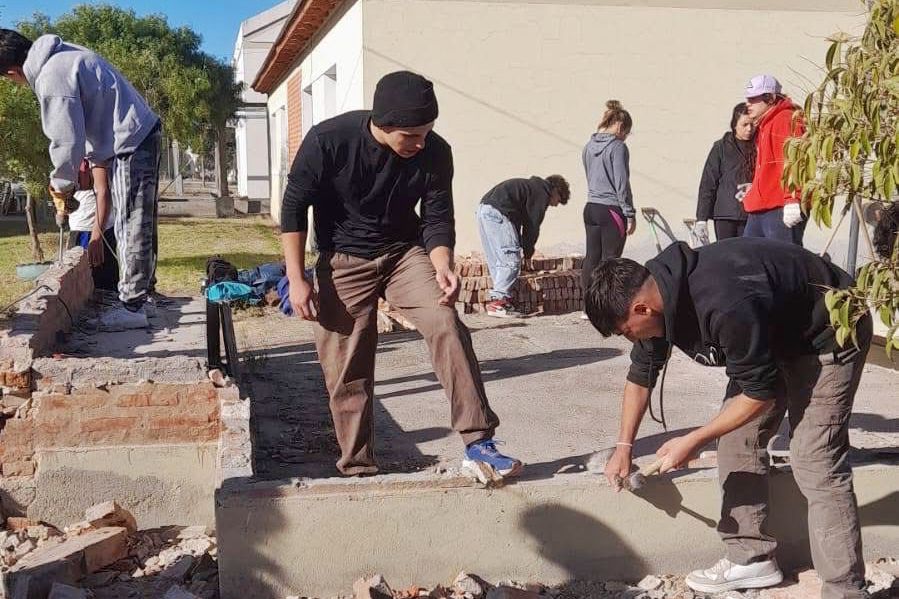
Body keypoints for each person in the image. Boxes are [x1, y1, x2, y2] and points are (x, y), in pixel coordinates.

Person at [585, 238, 871, 598]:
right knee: (737, 441)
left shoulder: (725, 303)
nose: (631, 340)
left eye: (626, 332)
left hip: (830, 332)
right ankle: (752, 559)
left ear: (641, 309)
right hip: (770, 336)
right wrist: (624, 447)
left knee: (815, 460)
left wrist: (694, 439)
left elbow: (759, 394)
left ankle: (845, 589)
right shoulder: (657, 298)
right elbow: (641, 375)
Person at [280, 70, 522, 480]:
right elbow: (293, 208)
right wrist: (297, 276)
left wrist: (442, 264)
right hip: (342, 258)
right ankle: (358, 466)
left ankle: (479, 443)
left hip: (403, 253)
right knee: (346, 364)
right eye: (411, 134)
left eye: (427, 131)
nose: (420, 142)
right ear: (383, 123)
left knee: (445, 321)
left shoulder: (434, 152)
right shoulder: (329, 141)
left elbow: (437, 217)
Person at [0, 29, 162, 329]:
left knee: (131, 222)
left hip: (130, 141)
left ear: (12, 71)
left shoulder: (51, 76)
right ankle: (143, 296)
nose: (16, 84)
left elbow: (64, 140)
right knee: (140, 221)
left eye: (10, 79)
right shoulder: (62, 55)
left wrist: (61, 186)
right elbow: (91, 118)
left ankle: (132, 307)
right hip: (136, 134)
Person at [476, 175, 570, 317]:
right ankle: (499, 302)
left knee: (498, 260)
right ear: (556, 191)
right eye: (558, 200)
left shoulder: (530, 188)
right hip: (498, 213)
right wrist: (527, 254)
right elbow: (531, 226)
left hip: (483, 210)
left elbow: (518, 224)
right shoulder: (541, 193)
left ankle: (502, 300)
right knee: (511, 261)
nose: (555, 205)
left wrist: (522, 245)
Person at [742, 75, 806, 245]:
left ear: (769, 98)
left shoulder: (785, 119)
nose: (748, 103)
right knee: (749, 260)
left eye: (753, 99)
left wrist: (793, 199)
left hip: (779, 206)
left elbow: (794, 162)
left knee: (783, 263)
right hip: (761, 206)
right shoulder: (766, 123)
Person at [582, 100, 636, 292]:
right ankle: (605, 307)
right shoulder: (618, 147)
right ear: (620, 127)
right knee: (610, 261)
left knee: (591, 258)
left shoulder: (588, 146)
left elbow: (589, 174)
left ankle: (587, 307)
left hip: (591, 207)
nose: (626, 138)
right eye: (627, 133)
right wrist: (629, 214)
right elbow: (621, 183)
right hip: (611, 209)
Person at [695, 104, 755, 242]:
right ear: (734, 125)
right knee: (726, 255)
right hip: (725, 215)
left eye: (752, 125)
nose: (749, 129)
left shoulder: (759, 145)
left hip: (751, 215)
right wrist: (701, 219)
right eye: (744, 124)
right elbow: (708, 183)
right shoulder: (721, 147)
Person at [68, 160, 119, 291]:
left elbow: (103, 191)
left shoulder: (94, 150)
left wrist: (97, 237)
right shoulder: (71, 151)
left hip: (94, 230)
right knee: (78, 285)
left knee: (100, 287)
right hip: (77, 227)